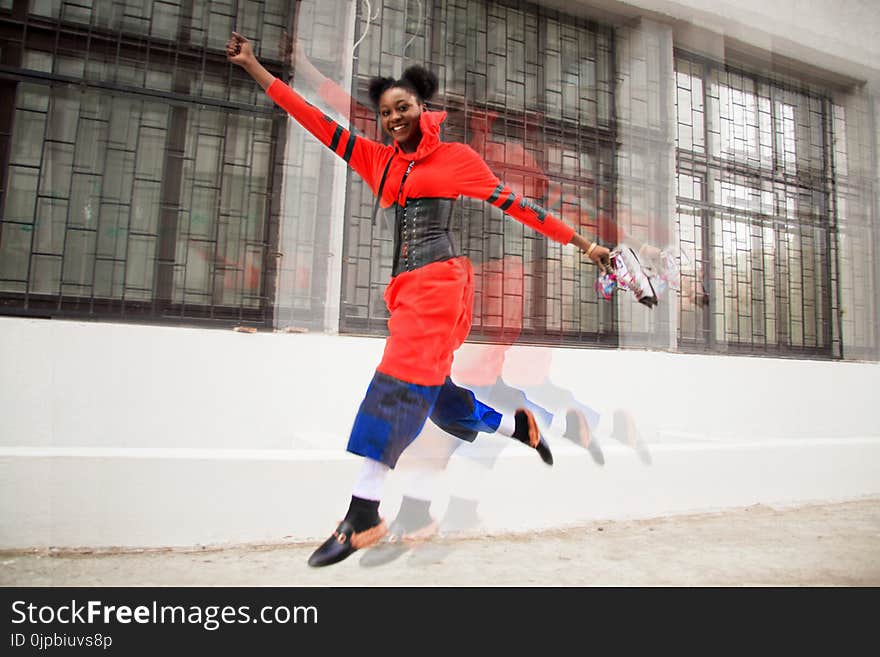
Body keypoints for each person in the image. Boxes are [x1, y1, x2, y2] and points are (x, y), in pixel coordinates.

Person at [226, 31, 612, 567]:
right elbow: (312, 118)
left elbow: (520, 205)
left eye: (402, 107)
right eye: (385, 112)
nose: (393, 118)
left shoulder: (456, 159)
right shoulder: (376, 160)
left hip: (442, 285)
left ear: (422, 108)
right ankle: (517, 424)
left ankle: (364, 512)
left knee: (400, 376)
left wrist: (587, 244)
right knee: (438, 397)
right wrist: (254, 68)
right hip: (407, 291)